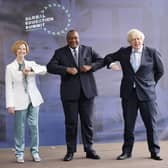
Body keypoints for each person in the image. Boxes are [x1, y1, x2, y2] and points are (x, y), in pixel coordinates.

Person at [104, 29, 164, 161]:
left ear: (142, 40)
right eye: (133, 40)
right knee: (129, 125)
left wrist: (150, 84)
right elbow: (107, 57)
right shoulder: (124, 52)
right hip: (128, 94)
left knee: (151, 125)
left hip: (147, 95)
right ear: (130, 41)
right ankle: (126, 152)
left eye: (138, 39)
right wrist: (112, 64)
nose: (136, 41)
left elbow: (160, 71)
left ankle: (154, 152)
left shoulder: (152, 52)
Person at [47, 29, 104, 161]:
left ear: (79, 38)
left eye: (76, 38)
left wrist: (90, 66)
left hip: (87, 93)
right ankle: (70, 151)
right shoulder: (60, 52)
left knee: (88, 122)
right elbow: (50, 67)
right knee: (71, 123)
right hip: (69, 94)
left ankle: (89, 149)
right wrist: (66, 69)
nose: (74, 40)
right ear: (67, 40)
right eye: (71, 38)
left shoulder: (88, 50)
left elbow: (101, 61)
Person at [5, 40, 47, 163]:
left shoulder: (31, 63)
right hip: (18, 102)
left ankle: (35, 152)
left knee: (34, 126)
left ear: (26, 51)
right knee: (20, 128)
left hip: (34, 100)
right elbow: (9, 87)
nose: (22, 51)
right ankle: (19, 153)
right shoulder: (10, 68)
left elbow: (44, 70)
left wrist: (32, 70)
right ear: (15, 51)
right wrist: (10, 105)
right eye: (19, 49)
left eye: (24, 49)